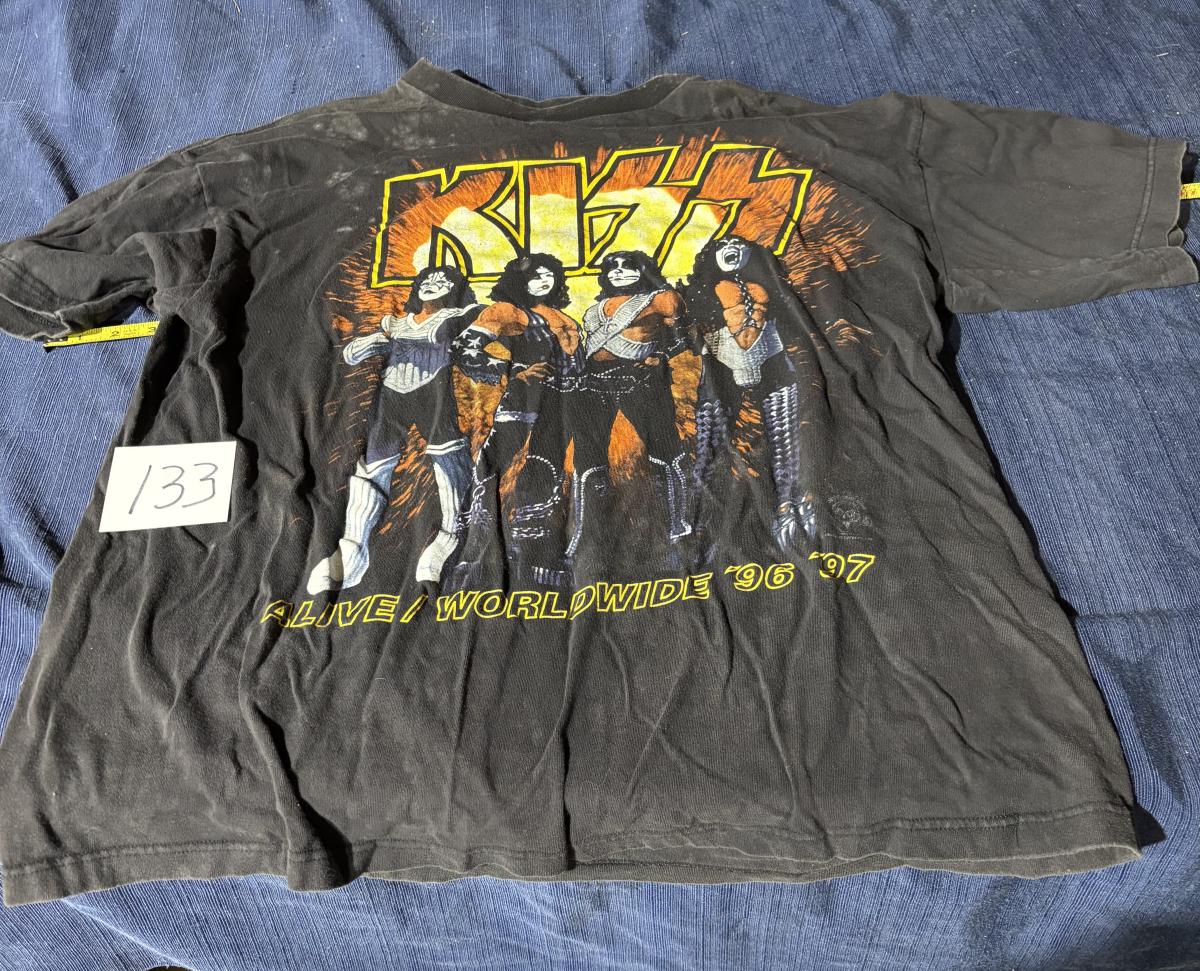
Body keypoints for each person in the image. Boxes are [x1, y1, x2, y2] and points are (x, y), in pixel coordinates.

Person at [306, 265, 480, 593]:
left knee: (447, 461)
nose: (434, 283)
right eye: (428, 279)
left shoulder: (455, 315)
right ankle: (352, 550)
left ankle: (450, 536)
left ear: (454, 289)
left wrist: (391, 333)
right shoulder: (399, 321)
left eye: (444, 281)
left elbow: (437, 333)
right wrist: (381, 337)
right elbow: (351, 353)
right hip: (391, 397)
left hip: (433, 395)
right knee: (373, 469)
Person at [448, 254, 587, 589]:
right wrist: (513, 372)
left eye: (549, 275)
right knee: (497, 469)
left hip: (564, 405)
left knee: (547, 474)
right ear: (518, 280)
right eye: (535, 275)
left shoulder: (562, 316)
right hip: (523, 403)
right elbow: (464, 347)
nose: (543, 281)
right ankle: (471, 548)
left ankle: (536, 554)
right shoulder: (509, 312)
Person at [682, 235, 818, 554]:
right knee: (709, 446)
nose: (732, 248)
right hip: (722, 361)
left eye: (738, 245)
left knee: (786, 440)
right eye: (724, 245)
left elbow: (791, 320)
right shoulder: (702, 289)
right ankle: (699, 522)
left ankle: (789, 508)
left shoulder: (769, 285)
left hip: (772, 359)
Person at [571, 250, 695, 567]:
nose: (619, 271)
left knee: (664, 452)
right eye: (612, 266)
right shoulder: (596, 308)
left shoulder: (660, 298)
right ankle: (587, 533)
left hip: (639, 377)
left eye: (628, 266)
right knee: (588, 458)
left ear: (644, 270)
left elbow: (683, 330)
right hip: (593, 381)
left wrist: (661, 356)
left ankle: (680, 529)